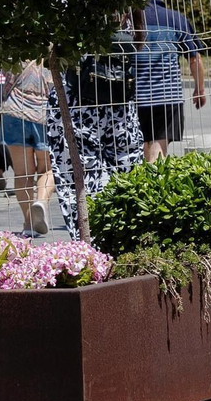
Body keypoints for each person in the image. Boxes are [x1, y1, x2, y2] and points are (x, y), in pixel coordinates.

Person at [47, 13, 144, 236]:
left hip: (76, 102)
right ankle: (122, 240)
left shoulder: (72, 9)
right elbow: (138, 42)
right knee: (127, 176)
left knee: (76, 181)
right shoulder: (129, 10)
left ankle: (89, 245)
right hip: (118, 100)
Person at [136, 0, 207, 163]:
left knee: (137, 148)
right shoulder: (175, 18)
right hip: (167, 96)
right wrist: (199, 89)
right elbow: (194, 59)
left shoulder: (130, 19)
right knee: (158, 150)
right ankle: (155, 176)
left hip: (135, 95)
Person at [0, 60, 54, 235]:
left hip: (14, 111)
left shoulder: (12, 48)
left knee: (22, 173)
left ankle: (29, 223)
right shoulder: (54, 50)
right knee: (47, 169)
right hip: (44, 113)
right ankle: (41, 201)